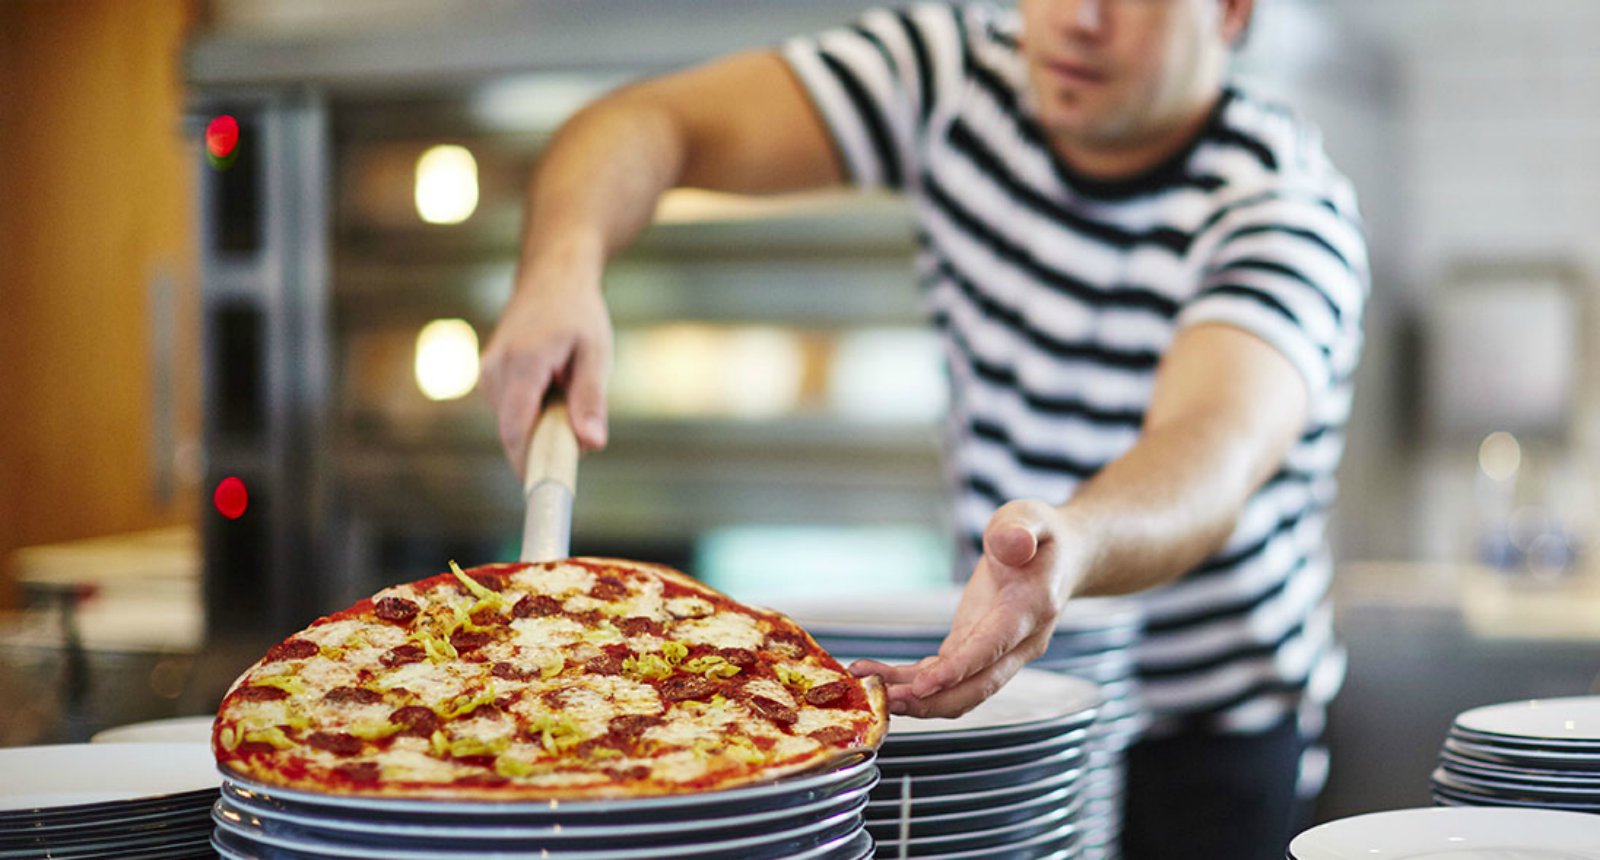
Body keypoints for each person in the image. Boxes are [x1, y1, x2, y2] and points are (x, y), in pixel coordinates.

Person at [481, 0, 1367, 857]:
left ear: (1231, 12)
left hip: (1208, 741)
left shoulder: (1282, 207)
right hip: (1002, 707)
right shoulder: (955, 76)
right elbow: (644, 121)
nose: (1079, 20)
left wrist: (1072, 544)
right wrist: (560, 269)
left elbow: (1210, 448)